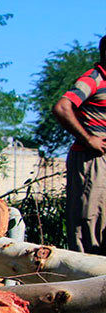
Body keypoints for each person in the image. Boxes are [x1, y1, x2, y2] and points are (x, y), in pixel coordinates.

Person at [53, 36, 106, 253]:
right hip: (91, 160)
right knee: (89, 219)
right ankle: (85, 277)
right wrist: (88, 139)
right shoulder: (93, 78)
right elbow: (62, 107)